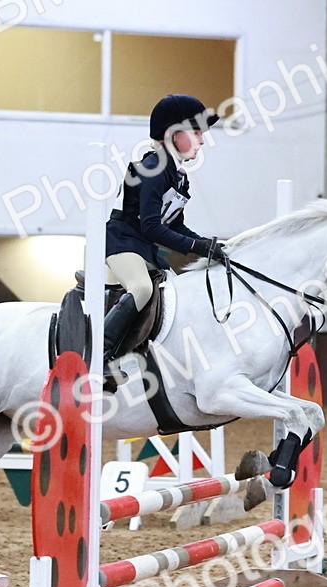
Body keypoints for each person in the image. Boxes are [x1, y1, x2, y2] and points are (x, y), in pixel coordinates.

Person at [102, 94, 226, 379]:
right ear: (173, 134)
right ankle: (103, 356)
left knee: (178, 292)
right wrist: (196, 247)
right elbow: (153, 228)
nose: (203, 140)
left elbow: (176, 226)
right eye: (196, 133)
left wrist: (208, 245)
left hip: (144, 249)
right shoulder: (153, 170)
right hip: (123, 243)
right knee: (142, 289)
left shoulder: (176, 175)